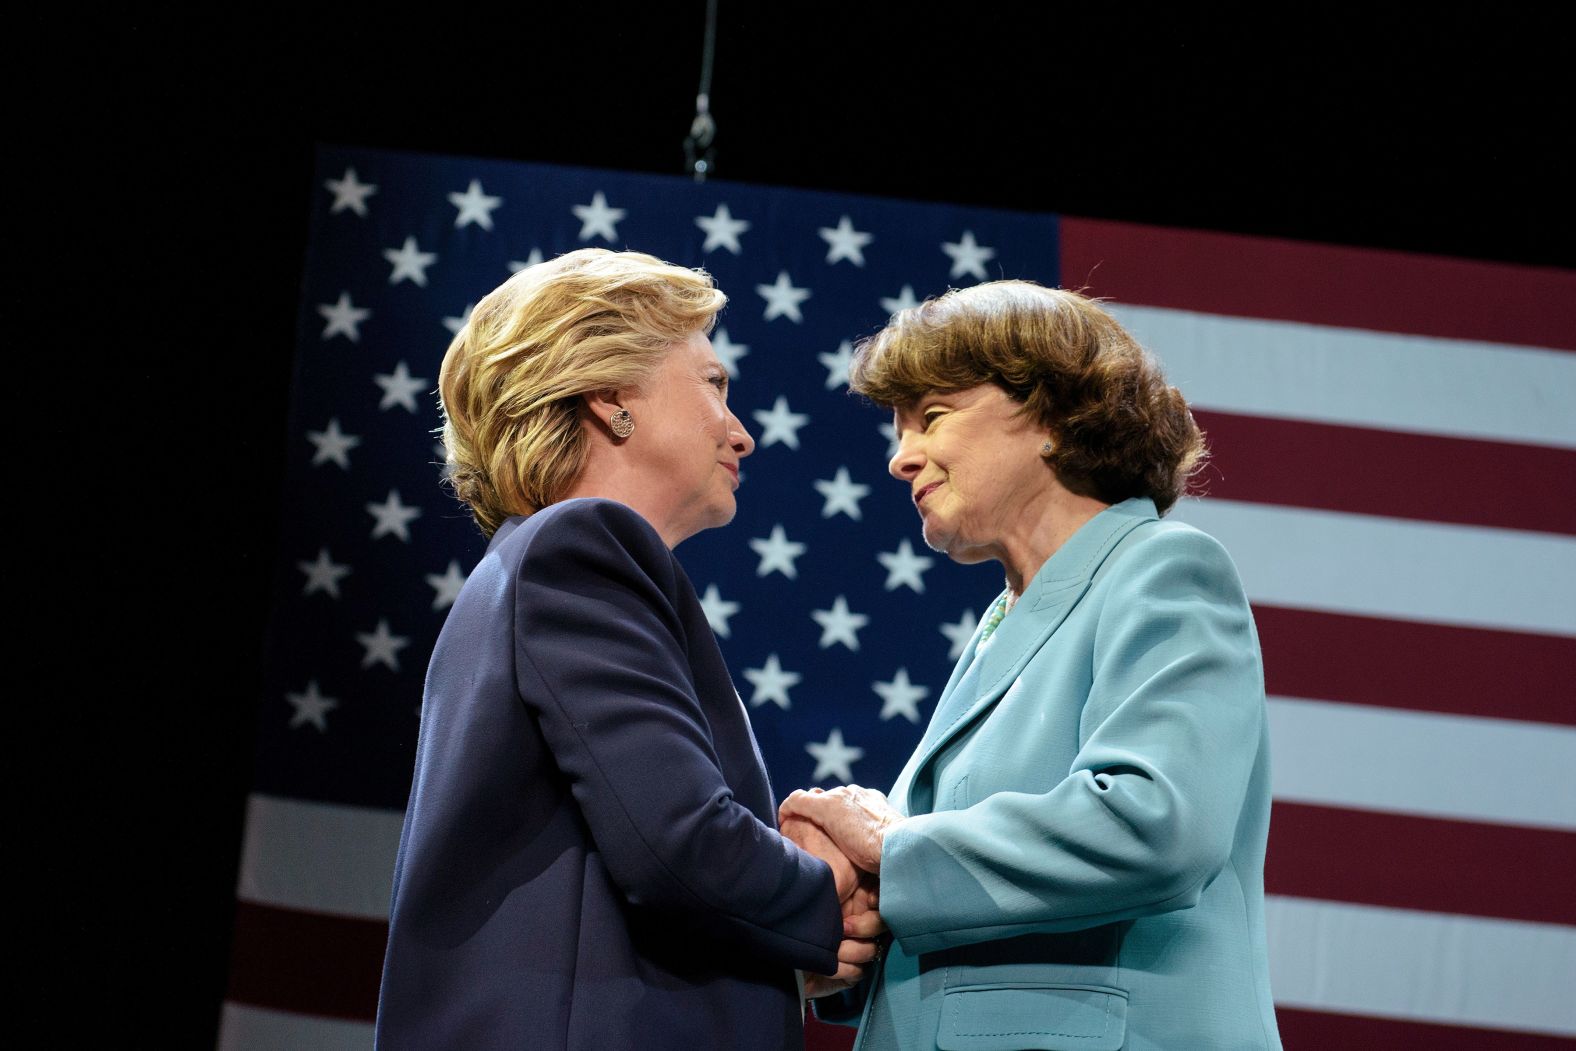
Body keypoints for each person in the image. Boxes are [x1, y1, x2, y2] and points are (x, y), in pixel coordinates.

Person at [375, 249, 879, 1050]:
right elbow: (679, 843)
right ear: (611, 397)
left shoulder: (537, 561)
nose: (742, 433)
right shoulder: (581, 544)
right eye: (715, 385)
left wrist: (787, 919)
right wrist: (836, 879)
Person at [782, 281, 1282, 1050]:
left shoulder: (1163, 567)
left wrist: (892, 852)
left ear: (1050, 417)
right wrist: (858, 932)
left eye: (932, 418)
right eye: (898, 428)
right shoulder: (1004, 624)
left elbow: (1156, 824)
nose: (900, 457)